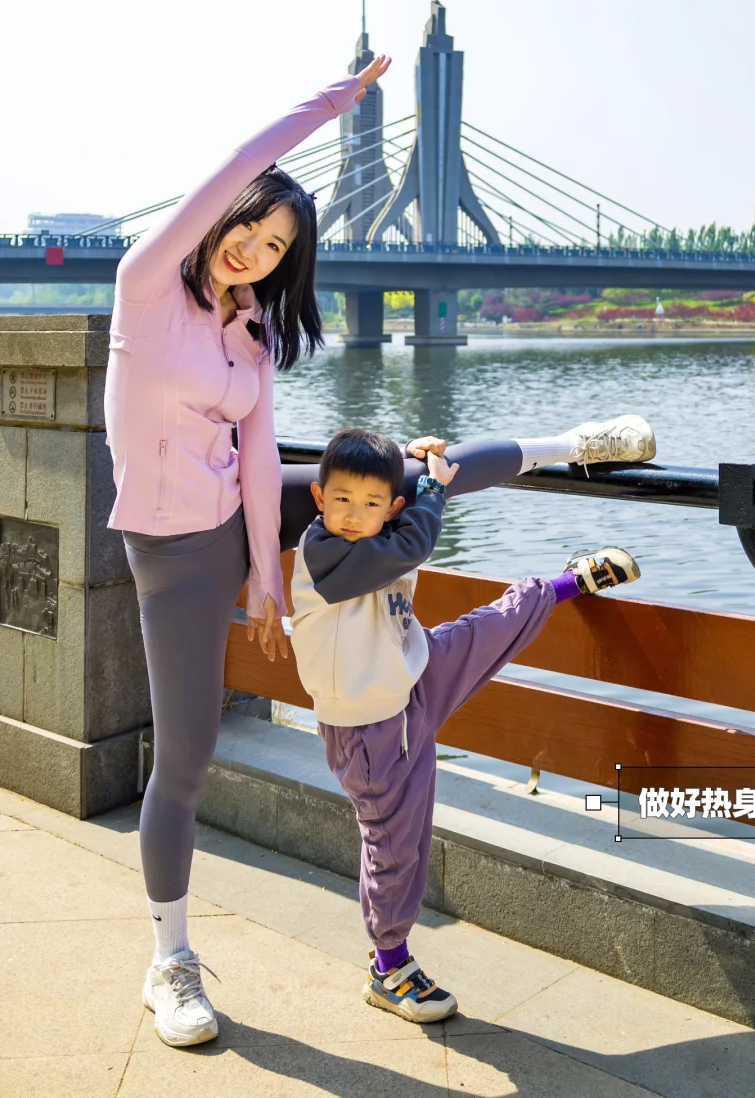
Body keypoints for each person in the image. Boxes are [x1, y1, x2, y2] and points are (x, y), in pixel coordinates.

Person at [104, 56, 657, 1048]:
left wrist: (267, 577)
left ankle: (574, 443)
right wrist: (332, 104)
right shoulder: (145, 289)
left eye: (278, 249)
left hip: (237, 515)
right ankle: (170, 964)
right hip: (173, 551)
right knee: (185, 756)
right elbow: (239, 160)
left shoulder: (249, 333)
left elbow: (259, 457)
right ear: (223, 215)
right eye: (250, 230)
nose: (255, 254)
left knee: (404, 471)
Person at [287, 426, 642, 1024]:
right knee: (394, 848)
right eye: (341, 499)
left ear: (391, 505)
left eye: (371, 502)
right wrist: (432, 489)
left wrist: (414, 459)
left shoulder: (385, 529)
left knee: (487, 630)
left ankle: (565, 583)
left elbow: (404, 535)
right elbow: (412, 545)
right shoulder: (324, 553)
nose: (352, 514)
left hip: (414, 673)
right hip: (370, 733)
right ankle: (389, 967)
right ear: (319, 498)